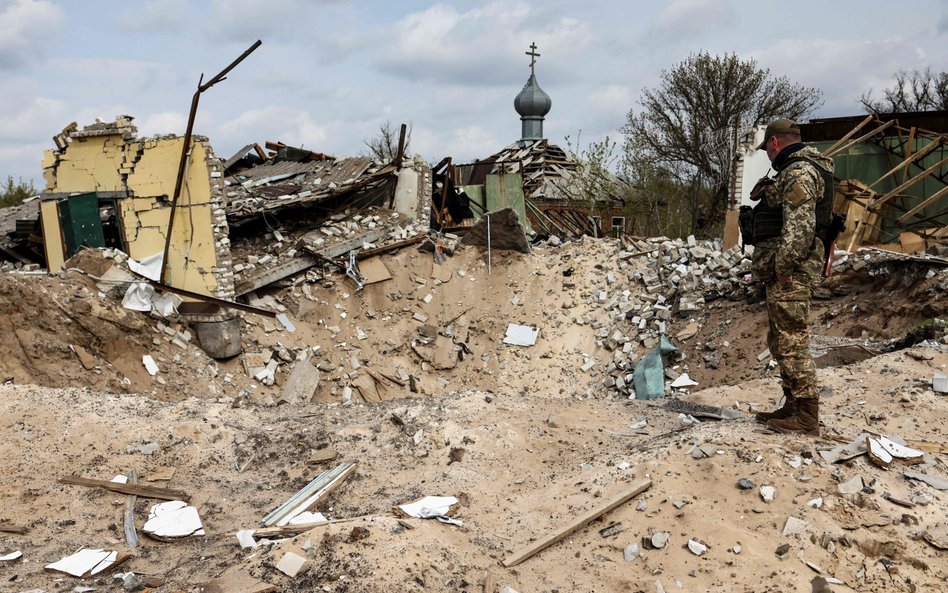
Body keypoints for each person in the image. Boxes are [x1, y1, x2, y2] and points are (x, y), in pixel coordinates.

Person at [750, 118, 834, 434]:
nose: (768, 156)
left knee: (792, 340)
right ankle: (794, 405)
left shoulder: (799, 171)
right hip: (788, 270)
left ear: (774, 143)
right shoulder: (798, 169)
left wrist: (783, 268)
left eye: (767, 149)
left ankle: (807, 417)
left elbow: (800, 229)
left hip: (792, 272)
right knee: (779, 339)